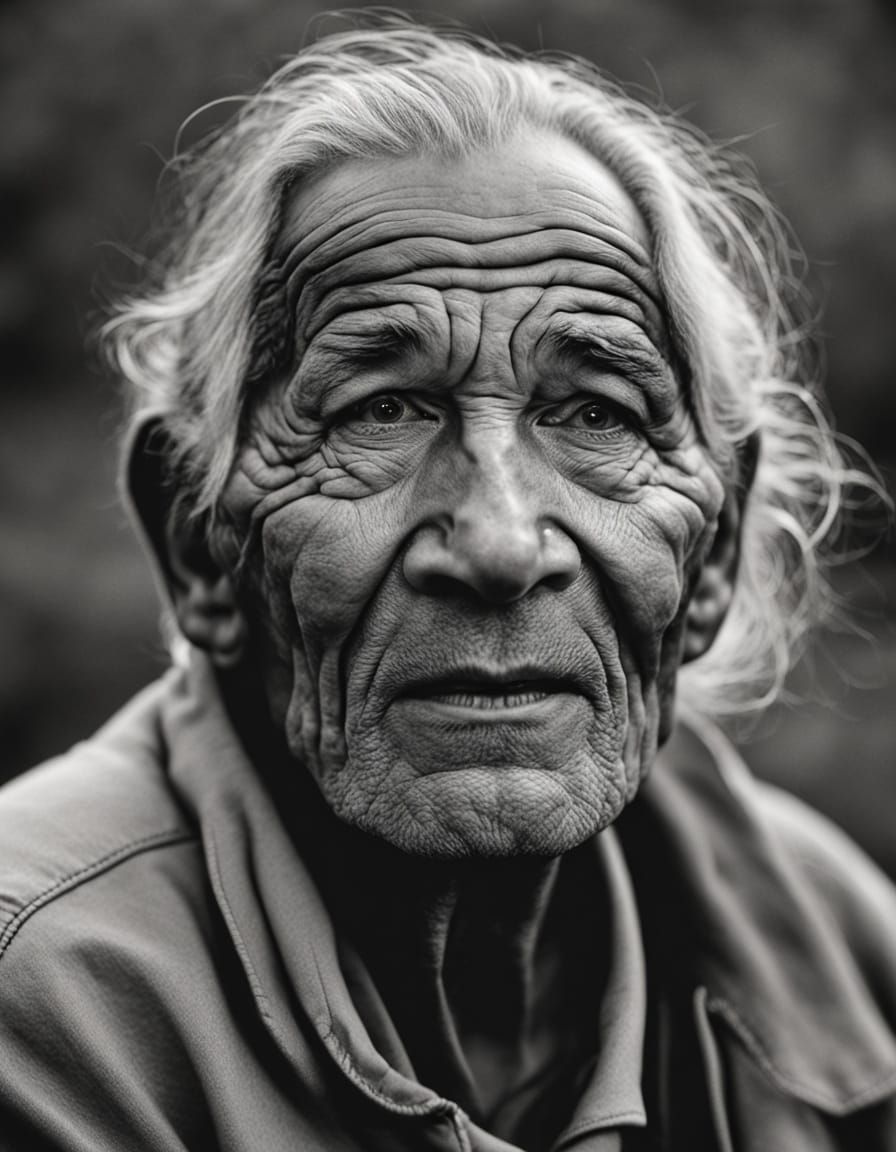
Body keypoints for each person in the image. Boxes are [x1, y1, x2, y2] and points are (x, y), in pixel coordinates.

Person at [1, 16, 893, 1152]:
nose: (500, 541)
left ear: (710, 553)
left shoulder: (828, 957)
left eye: (594, 414)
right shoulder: (43, 1010)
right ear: (196, 542)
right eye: (380, 411)